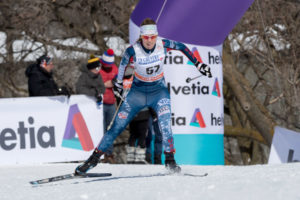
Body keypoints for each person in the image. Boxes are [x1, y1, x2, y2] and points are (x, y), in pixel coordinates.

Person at [75, 17, 212, 175]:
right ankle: (92, 160)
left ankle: (170, 161)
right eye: (146, 37)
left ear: (156, 36)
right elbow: (122, 68)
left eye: (152, 37)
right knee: (116, 127)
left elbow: (181, 47)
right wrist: (119, 84)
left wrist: (198, 64)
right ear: (141, 37)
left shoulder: (163, 44)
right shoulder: (132, 50)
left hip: (158, 91)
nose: (149, 41)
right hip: (137, 93)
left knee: (165, 125)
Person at [98, 49, 118, 164]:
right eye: (105, 65)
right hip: (100, 104)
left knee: (111, 129)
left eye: (108, 65)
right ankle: (100, 153)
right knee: (101, 129)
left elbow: (119, 81)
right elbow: (97, 83)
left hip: (111, 103)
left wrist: (113, 83)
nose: (107, 67)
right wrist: (106, 84)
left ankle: (109, 153)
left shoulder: (114, 68)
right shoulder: (98, 69)